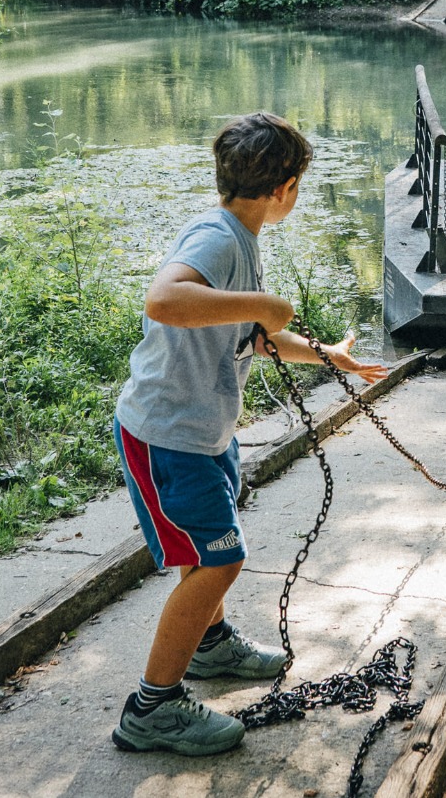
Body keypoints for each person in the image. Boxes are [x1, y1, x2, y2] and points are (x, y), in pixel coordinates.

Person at [110, 112, 387, 757]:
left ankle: (209, 646)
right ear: (284, 188)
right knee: (220, 559)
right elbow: (163, 301)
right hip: (168, 435)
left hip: (204, 432)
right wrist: (262, 304)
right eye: (299, 186)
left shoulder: (240, 236)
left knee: (207, 552)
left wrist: (329, 356)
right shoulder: (217, 238)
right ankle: (152, 708)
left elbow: (252, 337)